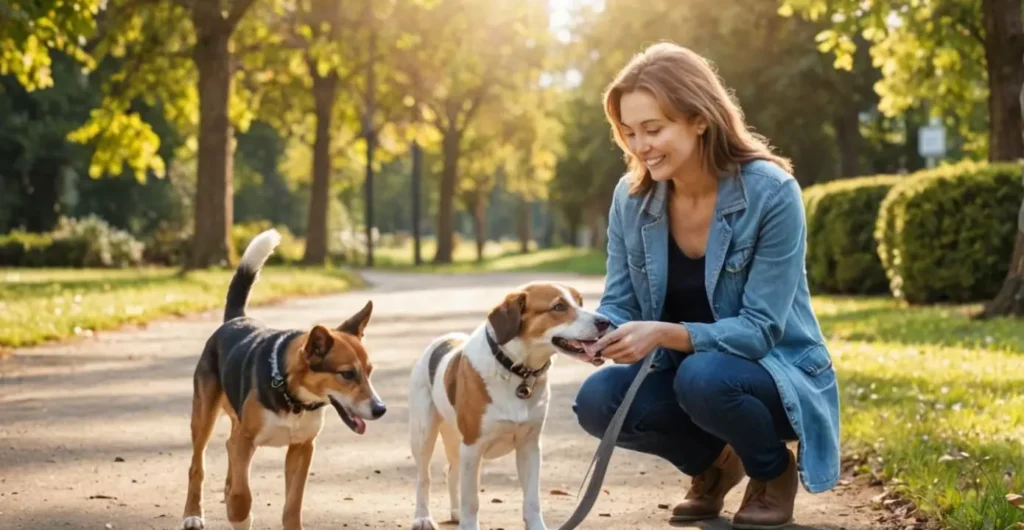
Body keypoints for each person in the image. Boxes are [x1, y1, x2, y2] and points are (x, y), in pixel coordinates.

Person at [572, 41, 840, 529]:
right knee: (596, 400)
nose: (640, 145)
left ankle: (771, 470)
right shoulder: (631, 199)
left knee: (704, 377)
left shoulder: (771, 193)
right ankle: (713, 467)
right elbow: (620, 301)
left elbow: (760, 330)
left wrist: (663, 333)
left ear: (700, 119)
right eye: (629, 132)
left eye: (654, 129)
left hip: (773, 376)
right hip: (688, 377)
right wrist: (598, 335)